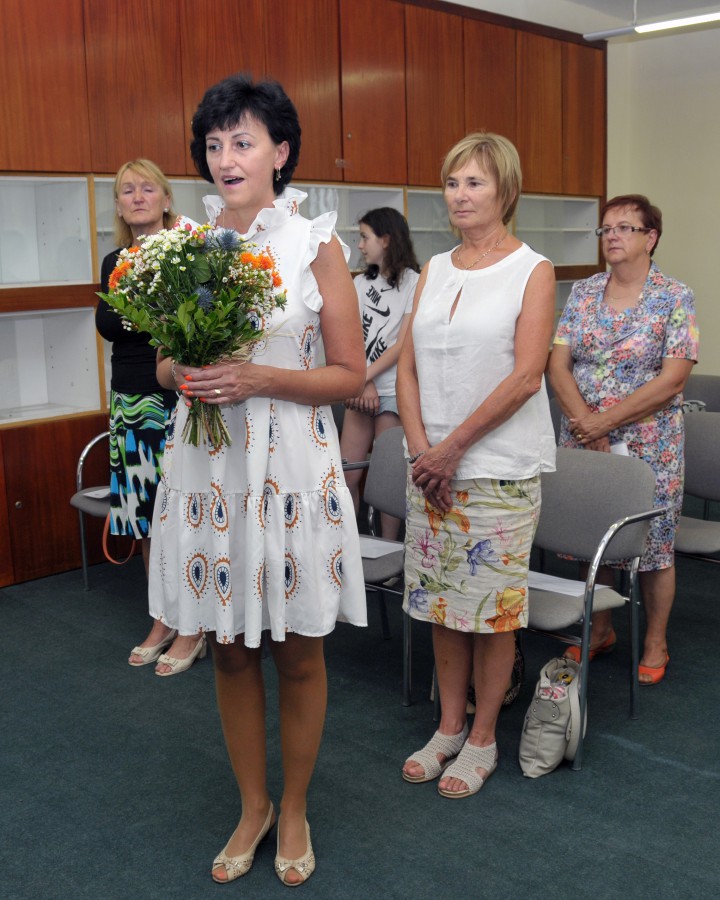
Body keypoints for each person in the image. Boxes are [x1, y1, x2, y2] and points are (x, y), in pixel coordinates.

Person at [147, 74, 367, 885]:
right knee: (231, 652)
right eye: (214, 144)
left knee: (299, 652)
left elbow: (349, 374)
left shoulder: (315, 245)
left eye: (242, 141)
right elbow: (163, 363)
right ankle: (254, 806)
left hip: (290, 467)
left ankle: (296, 804)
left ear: (281, 151)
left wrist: (260, 378)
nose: (225, 157)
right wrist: (182, 372)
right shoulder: (186, 247)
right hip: (210, 469)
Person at [397, 132, 556, 797]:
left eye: (475, 182)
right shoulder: (434, 267)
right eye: (452, 182)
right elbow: (406, 366)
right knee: (442, 606)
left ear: (505, 191)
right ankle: (449, 726)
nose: (459, 195)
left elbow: (525, 377)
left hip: (496, 469)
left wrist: (451, 448)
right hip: (430, 469)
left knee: (491, 613)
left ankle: (484, 736)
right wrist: (421, 451)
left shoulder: (532, 269)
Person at [548, 194, 699, 685]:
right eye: (605, 228)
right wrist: (585, 423)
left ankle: (655, 640)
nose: (611, 235)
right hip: (582, 433)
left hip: (650, 444)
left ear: (650, 238)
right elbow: (558, 364)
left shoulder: (675, 297)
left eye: (623, 227)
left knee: (653, 546)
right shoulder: (584, 292)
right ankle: (600, 629)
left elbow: (673, 378)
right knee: (591, 537)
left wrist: (603, 423)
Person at [96, 159, 206, 675]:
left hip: (176, 399)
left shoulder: (187, 256)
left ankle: (194, 626)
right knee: (143, 518)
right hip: (128, 402)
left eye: (147, 188)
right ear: (119, 206)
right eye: (127, 191)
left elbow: (183, 325)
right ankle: (161, 618)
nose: (137, 197)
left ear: (165, 198)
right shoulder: (114, 260)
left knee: (183, 516)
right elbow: (115, 326)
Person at [340, 207, 420, 537]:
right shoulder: (359, 283)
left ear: (386, 240)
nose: (360, 245)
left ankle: (389, 548)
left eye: (364, 237)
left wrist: (365, 377)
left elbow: (403, 344)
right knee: (347, 473)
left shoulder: (415, 282)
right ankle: (349, 546)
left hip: (393, 389)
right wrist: (362, 381)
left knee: (388, 480)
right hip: (360, 387)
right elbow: (348, 336)